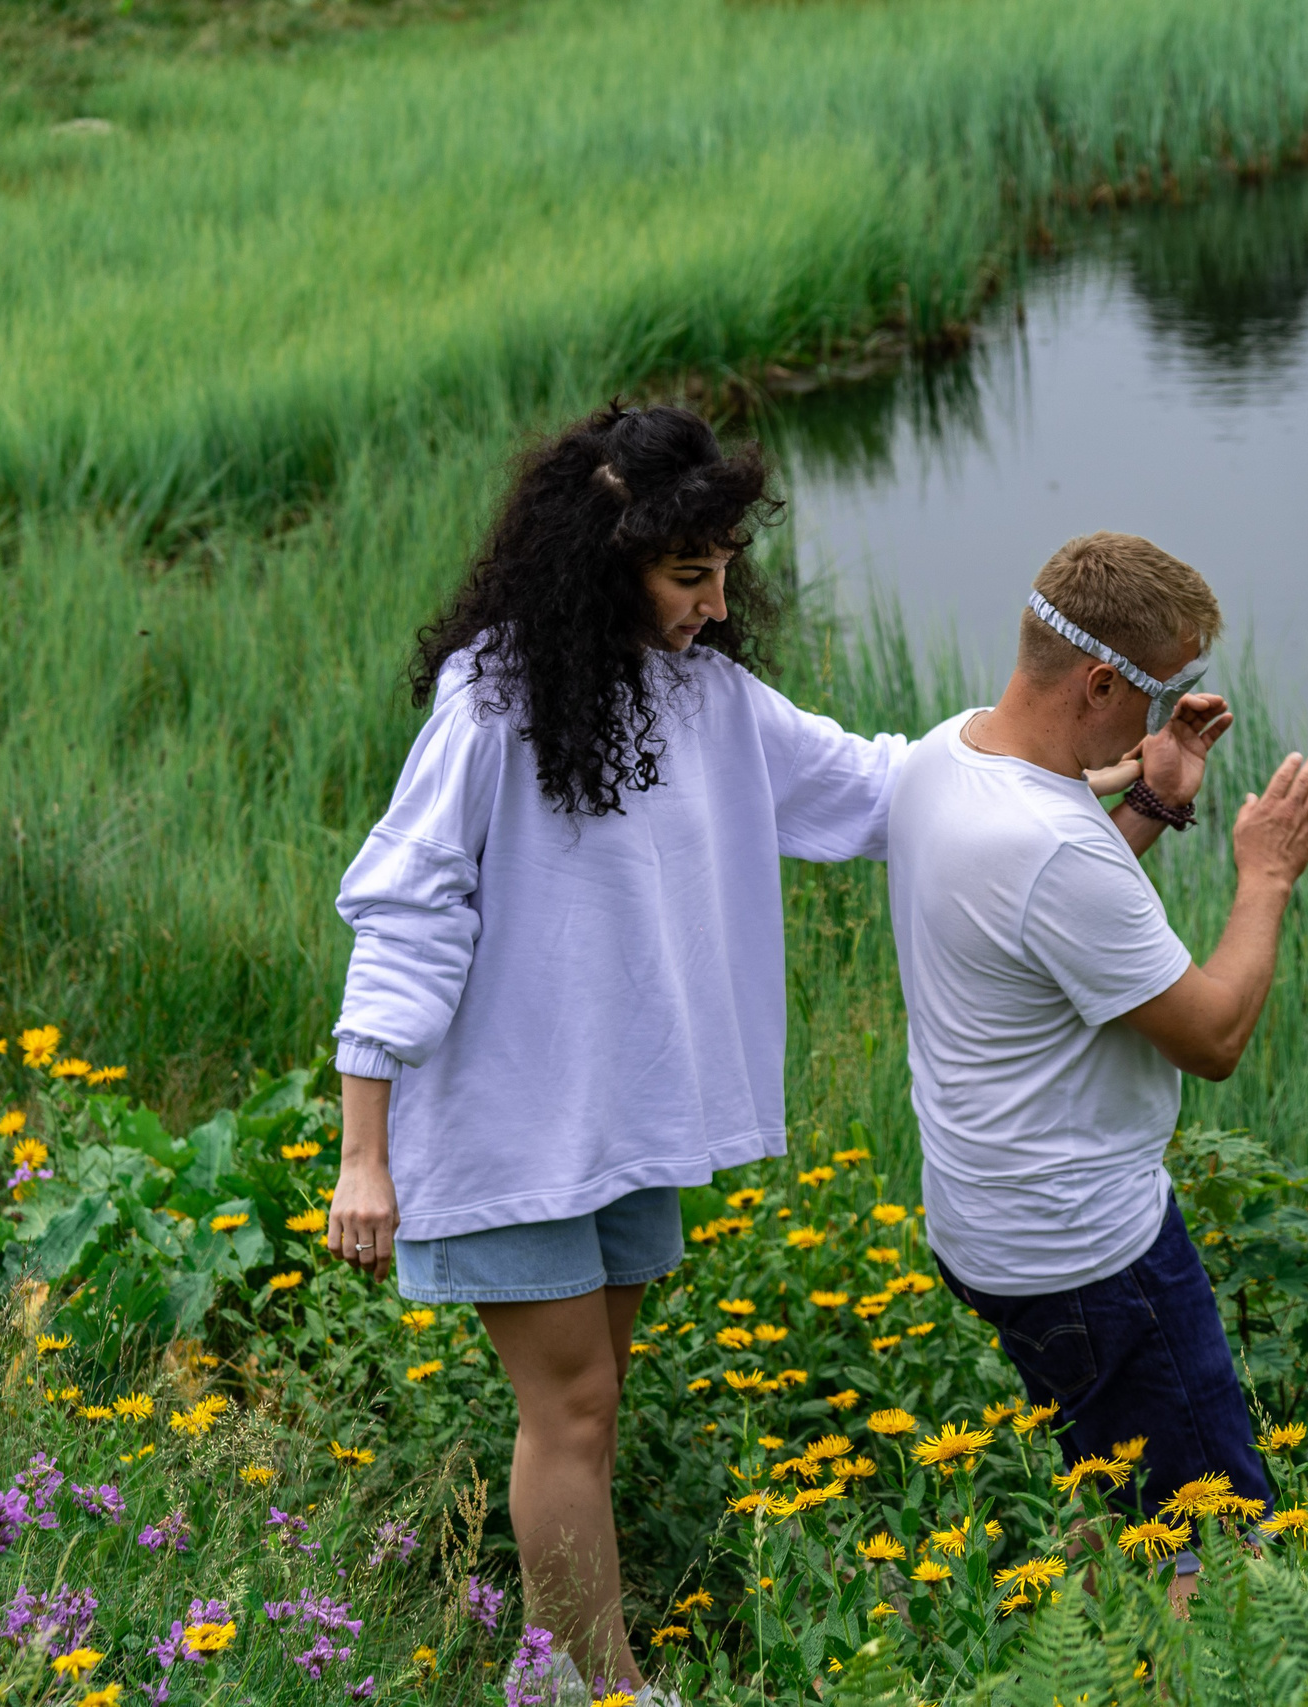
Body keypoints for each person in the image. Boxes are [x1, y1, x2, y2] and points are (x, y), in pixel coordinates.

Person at [321, 403, 910, 1701]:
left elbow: (879, 789)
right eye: (685, 575)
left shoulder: (710, 699)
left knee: (589, 1411)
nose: (712, 600)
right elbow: (408, 907)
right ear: (605, 565)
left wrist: (1081, 773)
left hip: (623, 1120)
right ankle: (605, 1689)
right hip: (508, 1121)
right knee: (573, 1411)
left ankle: (555, 1674)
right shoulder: (495, 702)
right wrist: (363, 1154)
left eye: (719, 572)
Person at [884, 530, 1308, 1591]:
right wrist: (1265, 875)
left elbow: (1038, 920)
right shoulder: (1053, 849)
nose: (1168, 709)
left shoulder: (940, 758)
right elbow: (1213, 1034)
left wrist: (1153, 796)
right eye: (1161, 689)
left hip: (984, 1228)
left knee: (1112, 1485)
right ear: (1099, 681)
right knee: (1210, 1550)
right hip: (1090, 1256)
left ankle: (1094, 1651)